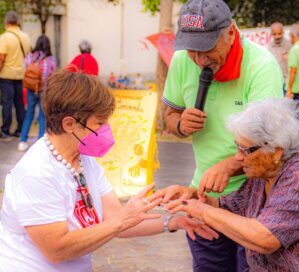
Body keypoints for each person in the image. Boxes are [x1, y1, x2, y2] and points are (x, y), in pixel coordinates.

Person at [0, 68, 217, 271]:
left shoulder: (84, 159)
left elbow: (113, 217)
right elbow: (57, 250)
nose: (106, 130)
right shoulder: (36, 174)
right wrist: (121, 220)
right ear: (69, 124)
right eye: (99, 123)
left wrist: (173, 222)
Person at [155, 98, 299, 271]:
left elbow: (264, 238)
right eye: (237, 147)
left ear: (276, 151)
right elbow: (226, 207)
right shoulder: (262, 178)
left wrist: (202, 211)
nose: (238, 158)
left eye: (246, 150)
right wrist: (190, 196)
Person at [161, 0, 283, 271]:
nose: (199, 59)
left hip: (257, 201)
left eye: (206, 48)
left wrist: (228, 166)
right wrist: (180, 124)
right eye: (193, 49)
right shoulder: (183, 60)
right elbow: (168, 116)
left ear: (230, 32)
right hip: (206, 198)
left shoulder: (262, 66)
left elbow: (273, 144)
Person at [18, 35, 57, 152]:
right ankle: (40, 145)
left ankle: (22, 141)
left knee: (29, 115)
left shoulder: (30, 57)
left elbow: (25, 69)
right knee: (42, 117)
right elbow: (53, 76)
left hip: (30, 90)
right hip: (44, 91)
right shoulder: (51, 60)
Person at [0, 11, 31, 140]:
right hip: (20, 75)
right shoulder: (25, 37)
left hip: (6, 75)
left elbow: (1, 58)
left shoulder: (4, 37)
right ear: (18, 22)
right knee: (19, 103)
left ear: (6, 22)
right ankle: (20, 129)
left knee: (7, 103)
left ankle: (5, 131)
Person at [267, 22, 292, 93]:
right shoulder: (269, 46)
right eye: (274, 34)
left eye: (279, 33)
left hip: (287, 81)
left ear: (283, 32)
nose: (277, 36)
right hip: (275, 80)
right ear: (271, 34)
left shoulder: (288, 44)